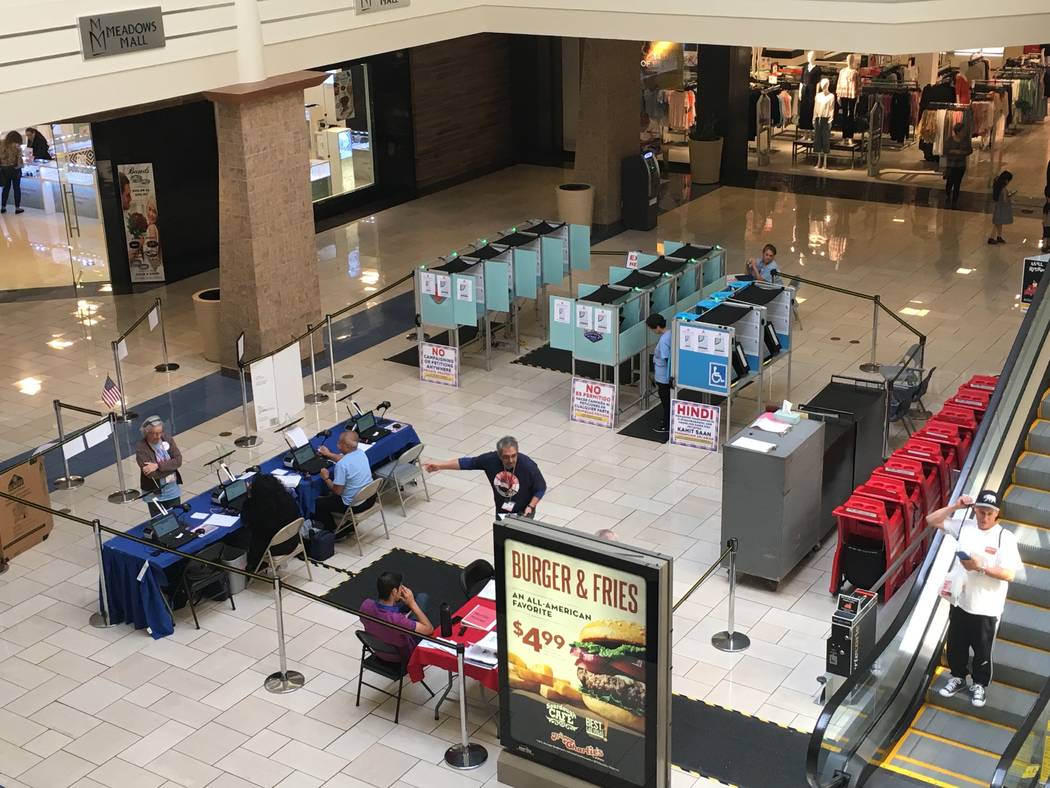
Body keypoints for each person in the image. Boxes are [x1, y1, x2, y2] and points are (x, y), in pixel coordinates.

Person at [929, 491, 1022, 708]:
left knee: (982, 651)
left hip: (987, 607)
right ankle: (958, 677)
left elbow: (1009, 574)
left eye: (989, 513)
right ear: (974, 510)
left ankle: (980, 684)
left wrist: (982, 566)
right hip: (961, 600)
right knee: (955, 645)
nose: (984, 517)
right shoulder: (964, 526)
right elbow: (931, 520)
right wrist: (955, 506)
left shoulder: (1004, 537)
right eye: (981, 512)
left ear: (997, 514)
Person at [424, 436, 546, 518]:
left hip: (524, 512)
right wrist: (440, 465)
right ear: (498, 455)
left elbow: (541, 488)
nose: (510, 460)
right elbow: (468, 463)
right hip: (502, 510)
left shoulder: (528, 466)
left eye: (513, 455)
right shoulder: (490, 460)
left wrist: (531, 506)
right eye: (506, 457)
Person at [228, 474, 301, 572]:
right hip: (293, 540)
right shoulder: (287, 498)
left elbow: (246, 521)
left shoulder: (261, 512)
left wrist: (249, 497)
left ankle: (253, 565)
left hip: (274, 548)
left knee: (237, 537)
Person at [359, 571, 434, 664]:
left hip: (380, 650)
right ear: (394, 591)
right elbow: (429, 629)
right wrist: (412, 604)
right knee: (422, 597)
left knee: (413, 601)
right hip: (401, 656)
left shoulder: (366, 605)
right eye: (401, 587)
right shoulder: (397, 621)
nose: (402, 589)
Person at [314, 430, 375, 532]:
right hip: (370, 497)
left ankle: (333, 531)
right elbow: (343, 458)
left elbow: (337, 491)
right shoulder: (360, 453)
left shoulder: (341, 465)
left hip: (355, 506)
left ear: (346, 446)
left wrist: (326, 478)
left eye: (339, 442)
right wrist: (328, 454)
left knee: (317, 503)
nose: (337, 444)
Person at [135, 416, 183, 516]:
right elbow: (151, 474)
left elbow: (178, 461)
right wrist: (171, 466)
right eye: (154, 433)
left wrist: (157, 466)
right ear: (146, 432)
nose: (158, 436)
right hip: (154, 495)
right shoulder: (141, 448)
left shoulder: (167, 439)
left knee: (177, 517)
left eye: (160, 432)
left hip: (172, 490)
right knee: (161, 522)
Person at [646, 313, 672, 434]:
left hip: (663, 377)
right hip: (665, 375)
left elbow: (667, 359)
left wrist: (671, 375)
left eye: (651, 329)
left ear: (657, 327)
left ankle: (666, 424)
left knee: (666, 401)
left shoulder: (663, 340)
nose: (652, 331)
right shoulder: (671, 334)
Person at [943, 123, 972, 208]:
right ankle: (948, 195)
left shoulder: (965, 140)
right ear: (958, 132)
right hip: (951, 165)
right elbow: (945, 152)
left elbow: (970, 151)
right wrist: (953, 152)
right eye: (962, 131)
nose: (964, 133)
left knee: (957, 183)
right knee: (949, 182)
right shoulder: (949, 141)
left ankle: (955, 199)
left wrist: (962, 152)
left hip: (961, 165)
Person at [0, 131, 24, 215]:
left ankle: (3, 207)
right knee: (16, 188)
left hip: (4, 169)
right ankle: (17, 208)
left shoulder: (1, 144)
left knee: (6, 188)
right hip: (14, 169)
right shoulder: (17, 147)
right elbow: (19, 162)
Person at [989, 170, 1014, 245]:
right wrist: (1010, 196)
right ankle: (991, 237)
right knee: (997, 223)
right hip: (1001, 208)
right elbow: (1005, 200)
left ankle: (999, 236)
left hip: (998, 207)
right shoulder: (1003, 189)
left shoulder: (997, 185)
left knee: (999, 223)